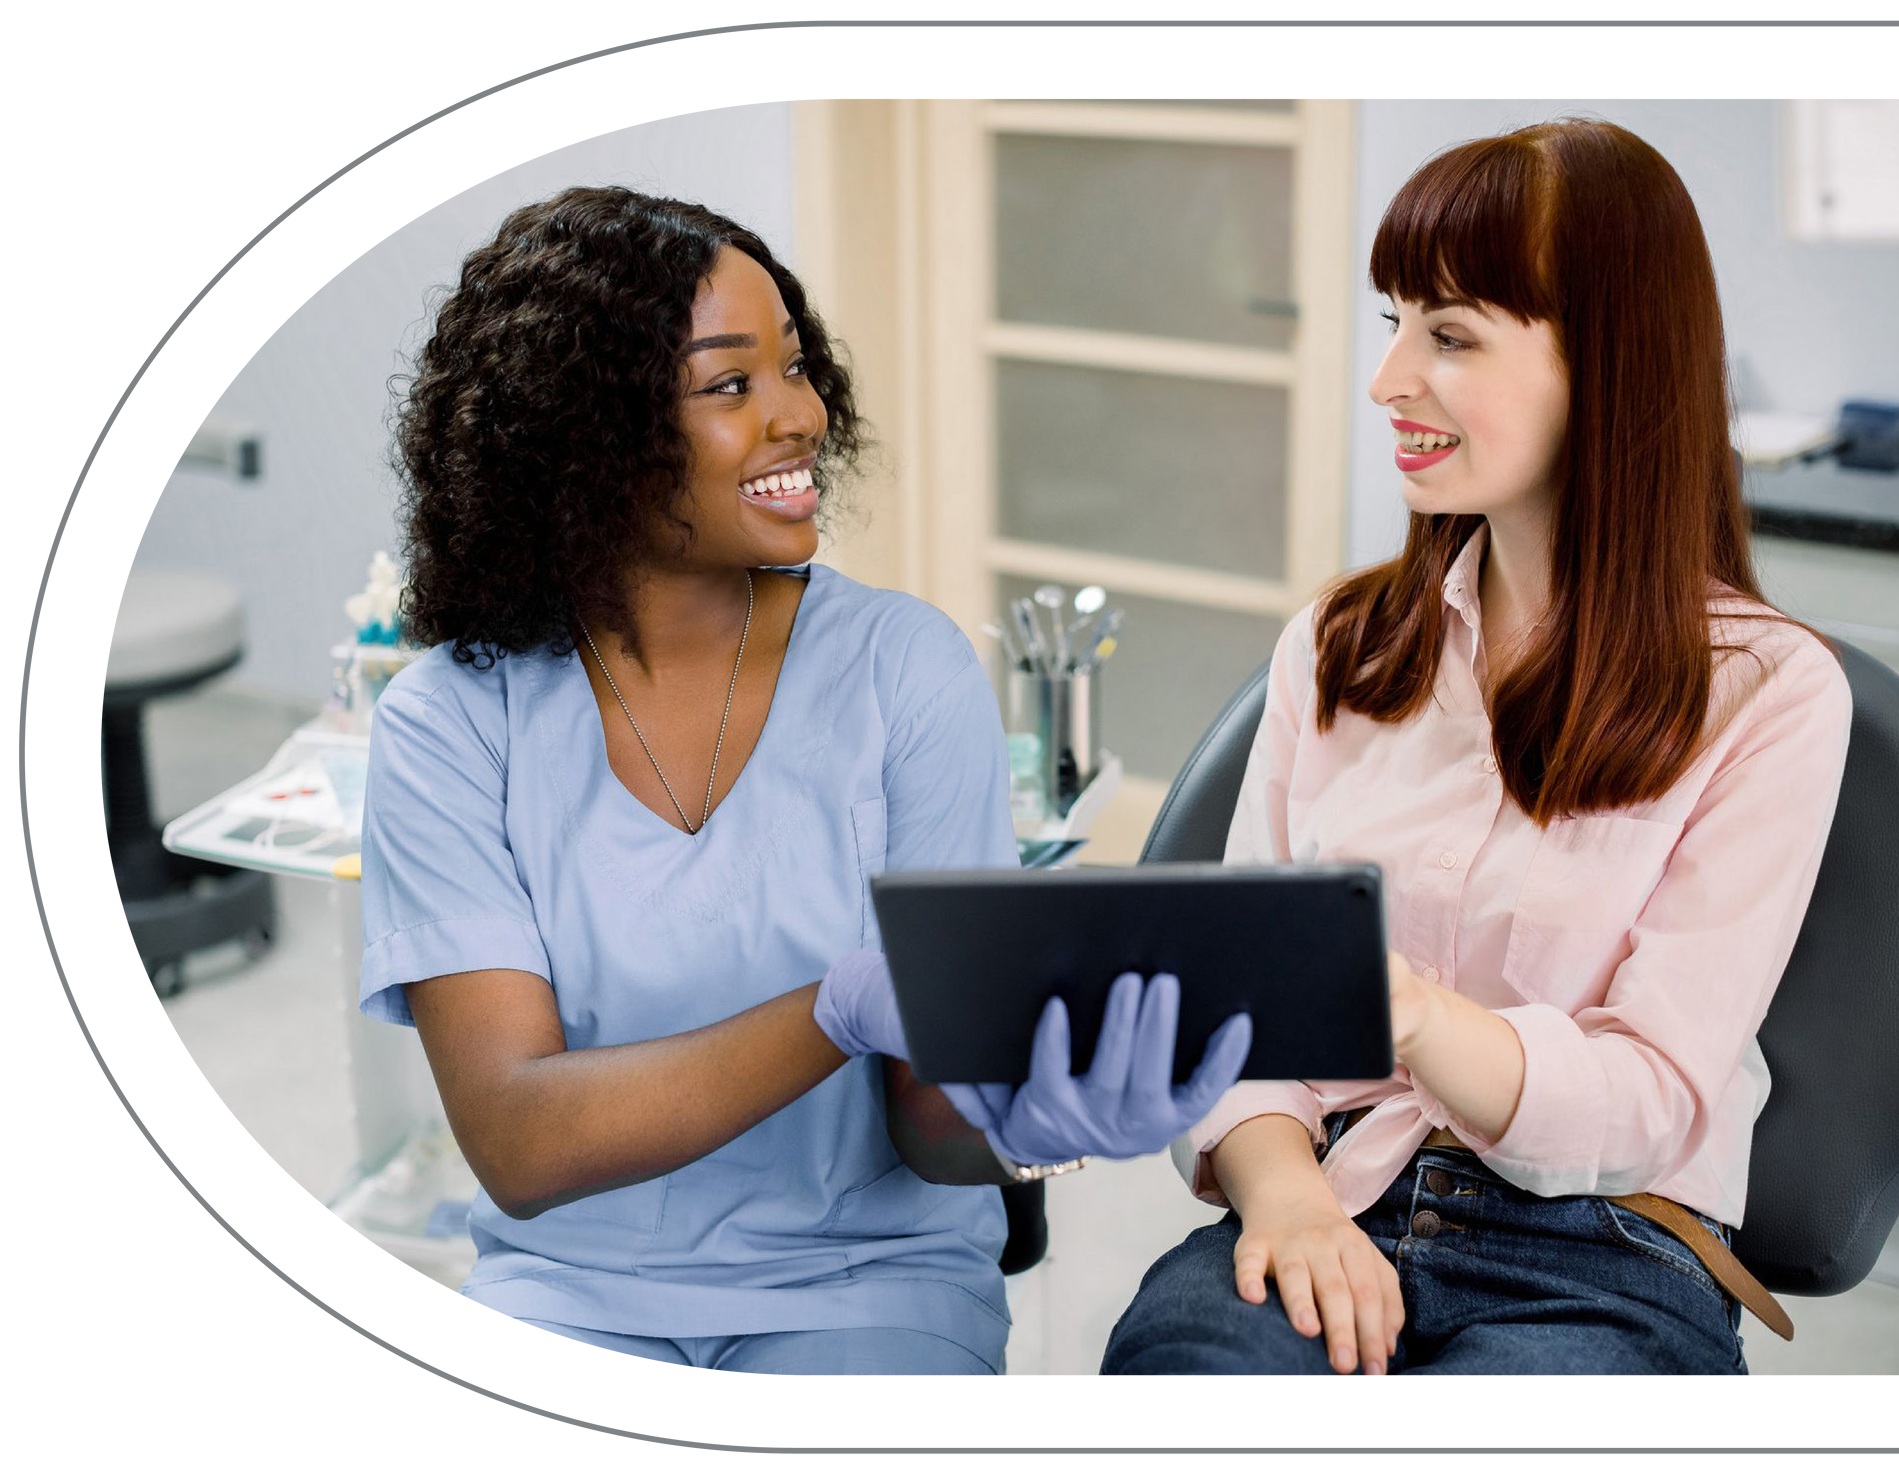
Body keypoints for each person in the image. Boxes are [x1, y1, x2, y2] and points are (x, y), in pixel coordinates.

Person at [360, 187, 1250, 1377]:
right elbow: (520, 1141)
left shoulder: (903, 669)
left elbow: (934, 1126)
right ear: (583, 433)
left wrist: (1028, 1116)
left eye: (795, 365)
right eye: (732, 385)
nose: (800, 414)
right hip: (567, 1290)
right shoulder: (451, 720)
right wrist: (828, 1010)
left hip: (867, 1286)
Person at [1100, 119, 1853, 1378]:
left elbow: (1654, 1092)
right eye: (1392, 321)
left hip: (1609, 1251)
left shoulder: (1771, 693)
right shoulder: (1338, 647)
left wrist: (1408, 1011)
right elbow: (1234, 1007)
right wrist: (1283, 1194)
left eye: (1449, 334)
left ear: (1610, 365)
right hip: (1329, 1195)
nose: (1391, 379)